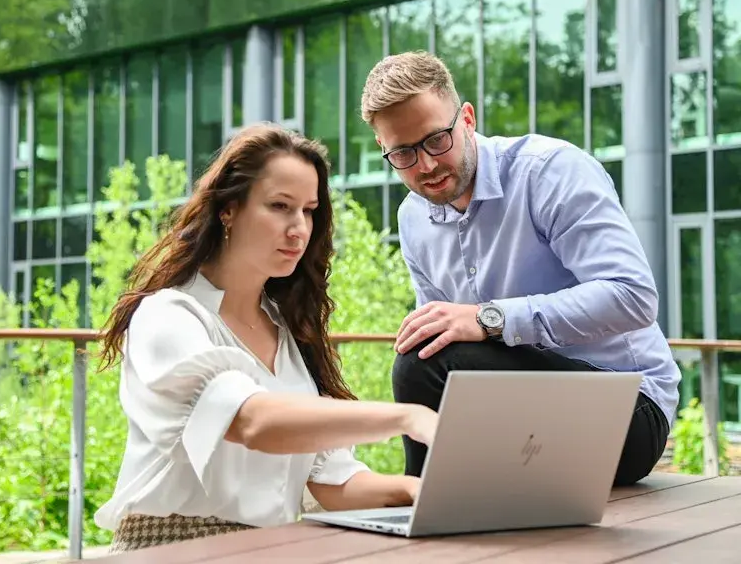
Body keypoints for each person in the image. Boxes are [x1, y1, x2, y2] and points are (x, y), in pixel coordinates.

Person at [93, 123, 437, 552]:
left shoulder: (286, 330)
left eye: (309, 210)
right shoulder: (169, 316)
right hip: (171, 548)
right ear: (228, 209)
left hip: (266, 548)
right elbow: (253, 422)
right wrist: (408, 416)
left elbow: (328, 481)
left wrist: (411, 489)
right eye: (280, 206)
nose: (299, 229)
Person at [359, 50, 681, 486]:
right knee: (424, 350)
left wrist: (489, 317)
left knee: (422, 362)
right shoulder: (413, 217)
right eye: (403, 154)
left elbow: (632, 296)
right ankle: (428, 503)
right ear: (384, 149)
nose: (427, 165)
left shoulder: (549, 172)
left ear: (467, 118)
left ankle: (421, 501)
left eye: (437, 140)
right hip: (522, 410)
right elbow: (443, 337)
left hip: (628, 411)